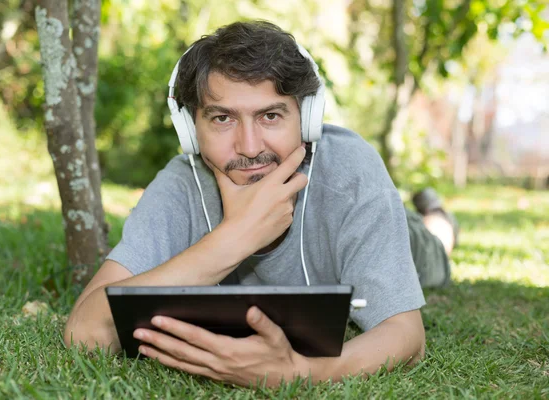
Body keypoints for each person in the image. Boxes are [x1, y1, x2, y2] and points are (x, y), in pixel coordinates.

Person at [64, 21, 454, 387]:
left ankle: (436, 216)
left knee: (435, 244)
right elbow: (85, 333)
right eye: (222, 118)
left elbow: (406, 335)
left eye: (270, 115)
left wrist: (302, 371)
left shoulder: (350, 173)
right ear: (190, 130)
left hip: (401, 238)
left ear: (307, 119)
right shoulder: (183, 183)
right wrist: (233, 238)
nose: (249, 148)